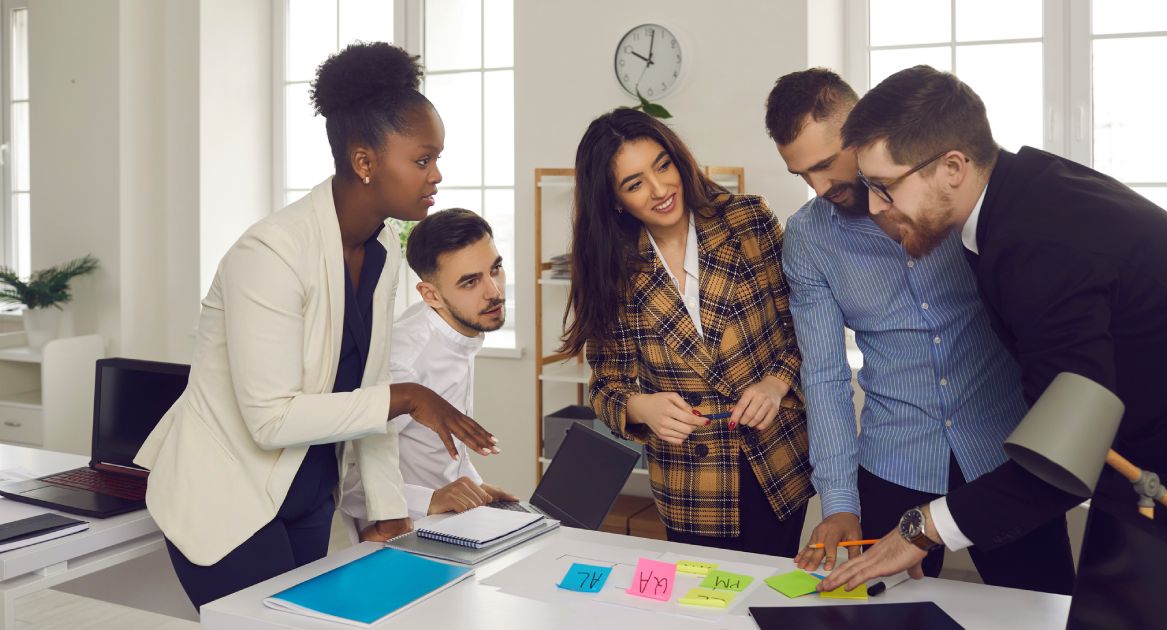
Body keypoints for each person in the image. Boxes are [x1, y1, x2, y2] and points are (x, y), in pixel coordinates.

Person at [133, 42, 498, 609]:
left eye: (436, 159)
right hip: (225, 497)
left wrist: (388, 513)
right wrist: (408, 396)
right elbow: (270, 417)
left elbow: (368, 394)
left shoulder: (381, 252)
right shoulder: (272, 253)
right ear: (365, 162)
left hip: (305, 496)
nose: (436, 175)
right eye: (422, 160)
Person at [821, 64, 1167, 592]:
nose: (874, 208)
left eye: (884, 187)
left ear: (952, 167)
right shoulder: (1025, 186)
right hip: (1134, 450)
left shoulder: (1040, 250)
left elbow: (1066, 456)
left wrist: (921, 529)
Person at [764, 69, 1073, 593]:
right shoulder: (810, 237)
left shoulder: (953, 198)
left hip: (1007, 456)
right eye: (801, 175)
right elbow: (825, 376)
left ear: (862, 131)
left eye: (824, 165)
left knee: (1042, 610)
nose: (818, 188)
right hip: (894, 466)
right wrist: (839, 501)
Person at [561, 108, 813, 557]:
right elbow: (605, 387)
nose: (660, 190)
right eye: (635, 184)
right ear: (615, 200)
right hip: (692, 486)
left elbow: (806, 327)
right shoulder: (610, 270)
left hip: (776, 460)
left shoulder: (747, 220)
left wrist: (776, 383)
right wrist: (641, 406)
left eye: (663, 166)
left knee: (774, 604)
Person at [343, 209, 518, 534]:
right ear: (431, 295)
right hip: (404, 538)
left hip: (455, 523)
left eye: (495, 268)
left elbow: (437, 453)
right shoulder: (405, 360)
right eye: (470, 282)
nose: (494, 291)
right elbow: (347, 483)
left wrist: (476, 489)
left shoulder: (461, 332)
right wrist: (431, 499)